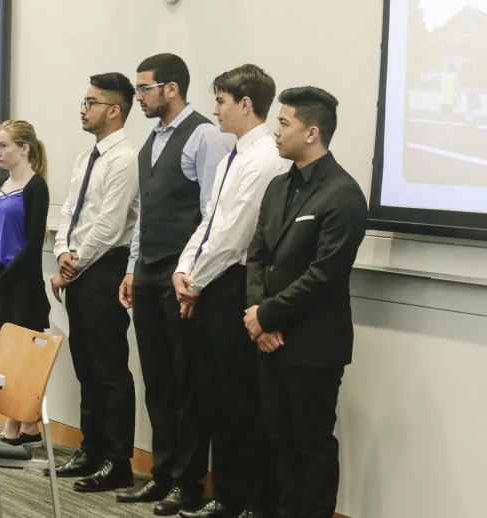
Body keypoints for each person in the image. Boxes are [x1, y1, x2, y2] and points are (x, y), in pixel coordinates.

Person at [243, 87, 368, 518]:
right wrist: (258, 317)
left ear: (312, 132)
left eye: (284, 123)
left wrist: (267, 315)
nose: (275, 131)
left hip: (313, 346)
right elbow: (257, 254)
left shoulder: (343, 194)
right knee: (277, 440)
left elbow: (323, 275)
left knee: (311, 445)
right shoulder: (279, 186)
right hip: (269, 338)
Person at [116, 53, 230, 515]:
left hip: (181, 280)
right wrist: (131, 265)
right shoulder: (152, 141)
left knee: (186, 386)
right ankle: (161, 474)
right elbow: (145, 213)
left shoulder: (204, 135)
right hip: (147, 276)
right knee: (158, 382)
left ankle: (188, 482)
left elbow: (212, 215)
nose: (138, 97)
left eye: (144, 89)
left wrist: (195, 279)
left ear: (171, 88)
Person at [174, 65, 289, 518]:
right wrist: (183, 271)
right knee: (215, 399)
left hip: (233, 286)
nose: (215, 109)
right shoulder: (230, 156)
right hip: (209, 284)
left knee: (241, 402)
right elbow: (208, 224)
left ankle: (250, 501)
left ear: (245, 104)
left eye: (220, 100)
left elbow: (234, 235)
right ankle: (226, 494)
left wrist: (194, 282)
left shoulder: (263, 160)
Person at [47, 73, 139, 493]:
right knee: (85, 365)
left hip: (105, 267)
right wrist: (61, 252)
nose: (83, 110)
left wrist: (75, 262)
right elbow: (70, 211)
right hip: (80, 267)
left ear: (114, 110)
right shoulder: (87, 157)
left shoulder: (126, 158)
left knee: (109, 370)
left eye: (91, 102)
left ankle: (117, 461)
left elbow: (110, 222)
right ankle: (91, 449)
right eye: (84, 102)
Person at [0, 119, 51, 445]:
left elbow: (31, 248)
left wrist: (0, 283)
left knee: (19, 359)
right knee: (4, 355)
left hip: (18, 283)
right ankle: (28, 427)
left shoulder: (36, 187)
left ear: (24, 149)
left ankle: (15, 427)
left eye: (3, 146)